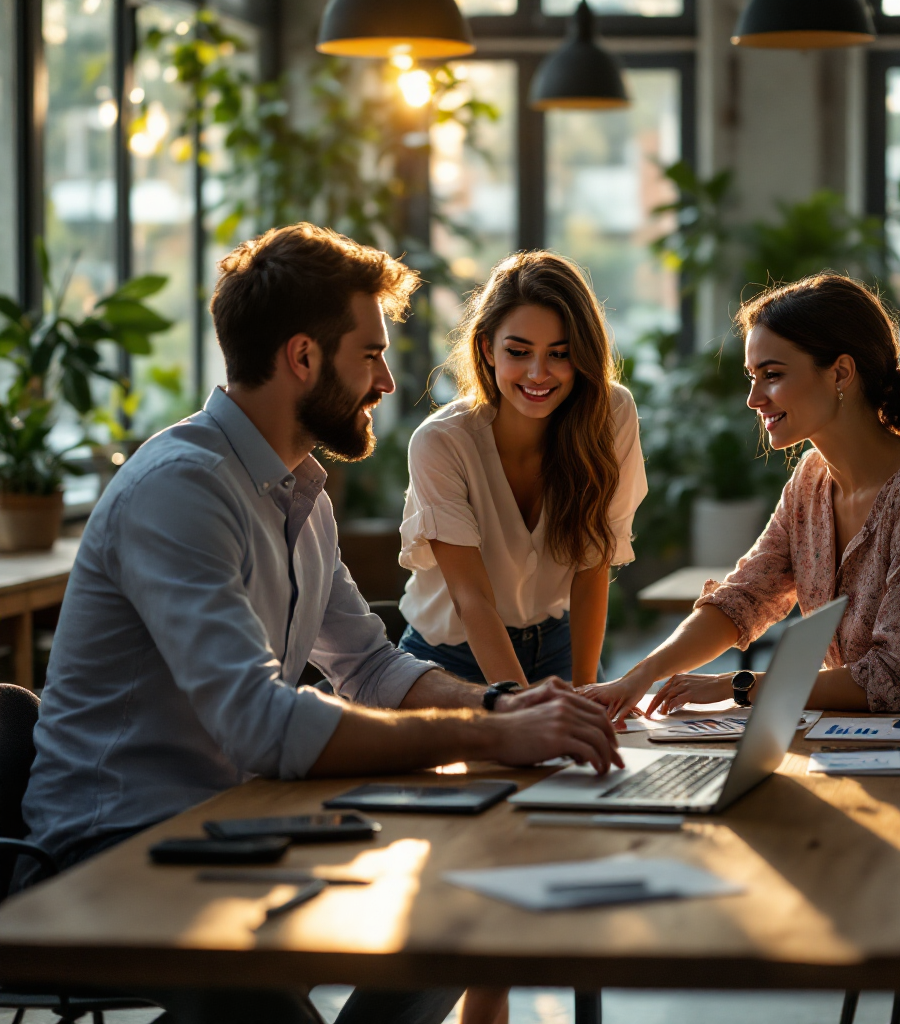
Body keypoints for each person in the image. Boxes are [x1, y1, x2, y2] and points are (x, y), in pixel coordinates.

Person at [15, 223, 621, 1024]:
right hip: (115, 850)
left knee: (457, 906)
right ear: (303, 358)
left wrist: (502, 706)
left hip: (237, 823)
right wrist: (483, 736)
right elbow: (261, 722)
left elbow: (370, 668)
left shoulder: (299, 492)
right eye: (369, 355)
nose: (385, 382)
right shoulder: (182, 489)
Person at [584, 273, 900, 724]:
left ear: (840, 373)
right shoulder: (810, 480)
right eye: (752, 377)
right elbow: (743, 598)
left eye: (772, 375)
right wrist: (638, 676)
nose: (753, 399)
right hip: (868, 737)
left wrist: (739, 685)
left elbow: (896, 679)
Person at [395, 253, 646, 1024]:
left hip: (552, 645)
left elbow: (595, 567)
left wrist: (586, 687)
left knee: (567, 855)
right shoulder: (443, 442)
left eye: (560, 353)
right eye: (518, 351)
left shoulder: (610, 414)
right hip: (452, 663)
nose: (540, 373)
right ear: (486, 351)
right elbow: (471, 596)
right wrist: (524, 708)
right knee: (476, 881)